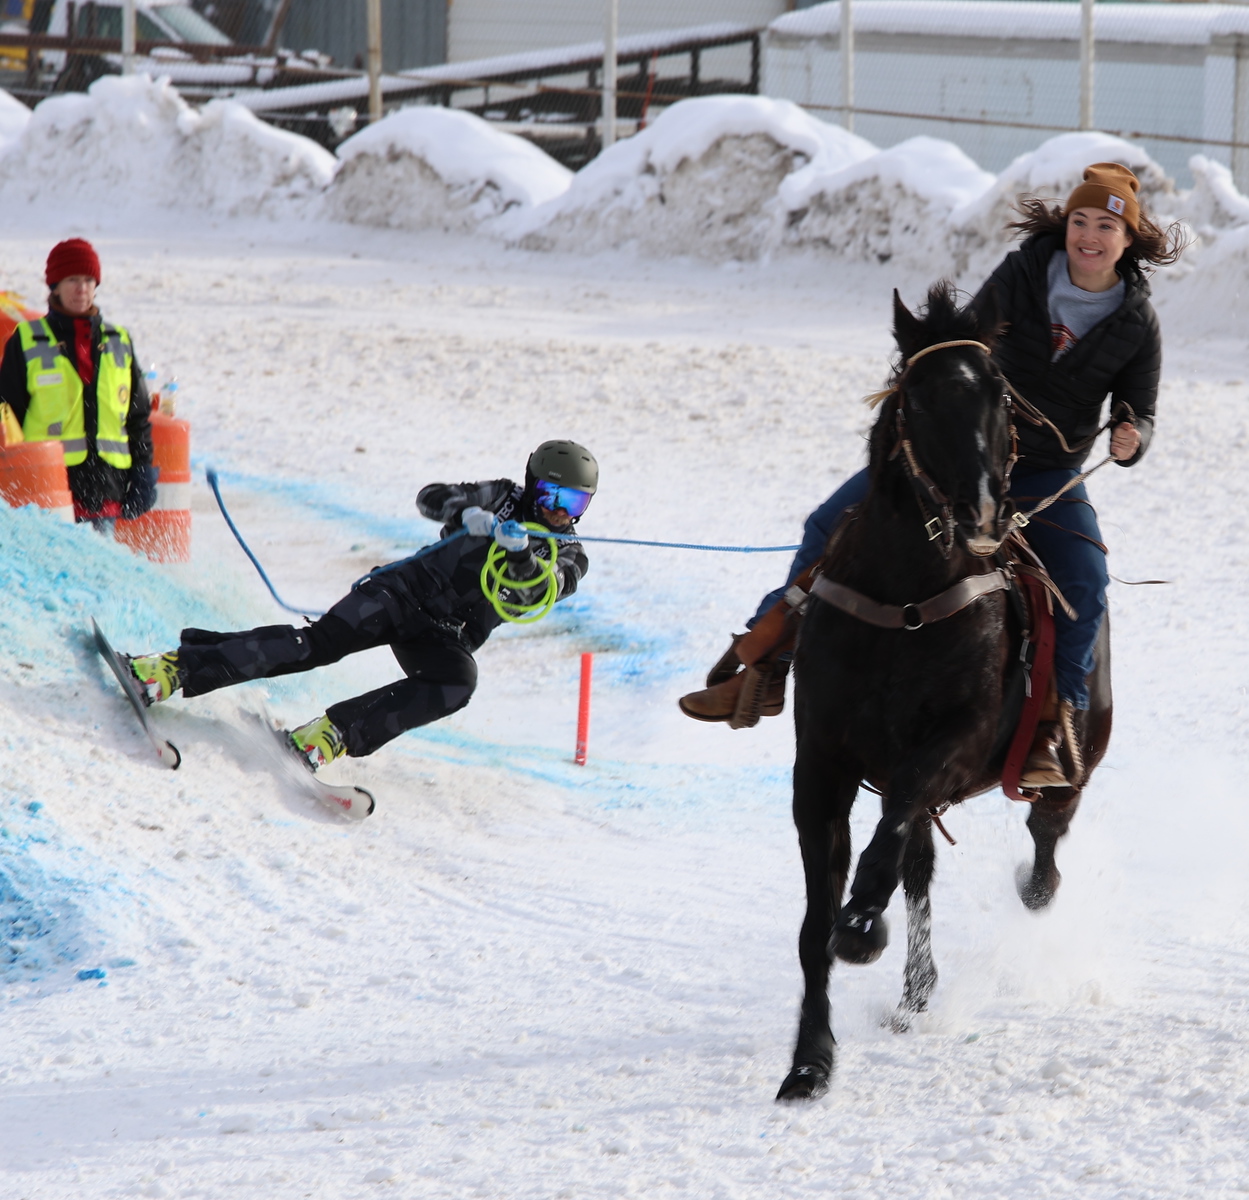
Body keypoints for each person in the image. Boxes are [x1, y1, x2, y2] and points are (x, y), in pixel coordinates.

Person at [680, 162, 1184, 787]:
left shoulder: (1138, 322)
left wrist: (1133, 436)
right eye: (1079, 221)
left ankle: (1057, 720)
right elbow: (962, 348)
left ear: (1127, 239)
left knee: (1085, 579)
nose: (1089, 236)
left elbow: (1140, 409)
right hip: (959, 457)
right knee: (827, 523)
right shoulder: (1022, 273)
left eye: (1106, 227)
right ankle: (766, 664)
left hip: (1046, 475)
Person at [121, 441, 597, 771]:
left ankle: (331, 734)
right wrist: (466, 511)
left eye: (574, 502)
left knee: (458, 682)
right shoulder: (503, 497)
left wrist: (519, 553)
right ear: (532, 484)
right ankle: (171, 669)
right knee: (317, 646)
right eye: (551, 494)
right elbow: (431, 497)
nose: (559, 509)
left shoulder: (571, 555)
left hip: (446, 635)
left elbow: (534, 594)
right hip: (403, 592)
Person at [0, 238, 156, 531]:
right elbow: (7, 416)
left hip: (105, 491)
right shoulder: (26, 341)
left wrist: (143, 470)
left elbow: (137, 417)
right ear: (55, 286)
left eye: (88, 280)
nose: (82, 288)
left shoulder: (119, 341)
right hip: (44, 494)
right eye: (72, 280)